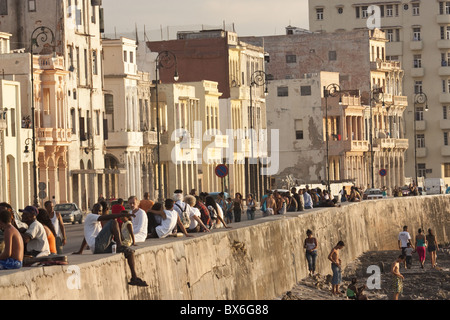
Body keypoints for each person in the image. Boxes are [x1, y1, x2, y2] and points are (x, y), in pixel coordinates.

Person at [72, 206, 148, 287]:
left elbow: (86, 236)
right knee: (113, 222)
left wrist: (80, 250)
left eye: (100, 211)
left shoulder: (96, 224)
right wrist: (119, 215)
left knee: (130, 252)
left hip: (102, 247)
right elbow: (106, 217)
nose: (98, 212)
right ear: (92, 210)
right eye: (96, 210)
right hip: (98, 246)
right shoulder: (90, 217)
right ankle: (119, 246)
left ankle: (134, 277)